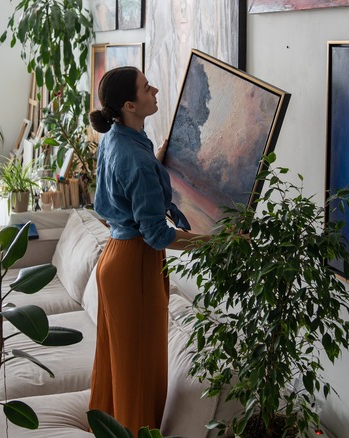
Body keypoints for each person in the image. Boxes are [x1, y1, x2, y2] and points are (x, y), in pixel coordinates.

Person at [88, 66, 208, 433]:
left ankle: (111, 428)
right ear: (129, 104)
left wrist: (155, 162)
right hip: (135, 265)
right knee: (139, 367)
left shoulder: (117, 136)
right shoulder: (136, 158)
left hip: (116, 256)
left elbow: (116, 195)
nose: (155, 90)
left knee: (119, 361)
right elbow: (157, 236)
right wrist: (214, 241)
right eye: (146, 88)